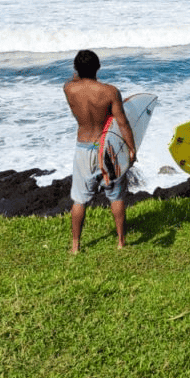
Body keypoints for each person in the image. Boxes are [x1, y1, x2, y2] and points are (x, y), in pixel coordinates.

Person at [63, 49, 137, 254]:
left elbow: (73, 79)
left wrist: (78, 73)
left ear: (76, 69)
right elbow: (122, 123)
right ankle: (121, 242)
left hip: (83, 148)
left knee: (79, 199)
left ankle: (76, 246)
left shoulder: (69, 89)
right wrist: (131, 149)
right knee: (116, 196)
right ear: (98, 67)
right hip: (107, 149)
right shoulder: (110, 91)